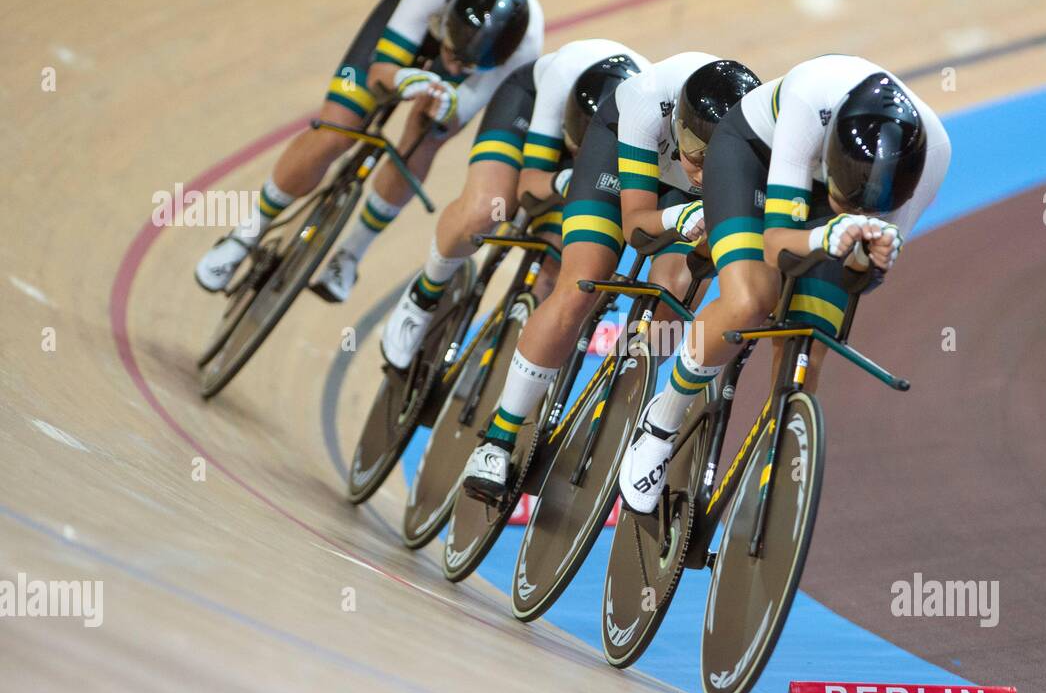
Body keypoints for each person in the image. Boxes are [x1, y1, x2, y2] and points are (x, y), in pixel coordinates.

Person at [618, 55, 951, 513]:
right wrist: (826, 234)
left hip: (827, 190)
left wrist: (867, 260)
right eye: (843, 200)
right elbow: (776, 245)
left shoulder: (932, 160)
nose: (849, 210)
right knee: (751, 300)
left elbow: (861, 278)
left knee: (809, 339)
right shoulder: (808, 96)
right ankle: (660, 422)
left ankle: (773, 470)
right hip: (754, 154)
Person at [460, 54, 762, 502]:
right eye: (695, 153)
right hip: (620, 160)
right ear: (678, 125)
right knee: (583, 282)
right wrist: (680, 214)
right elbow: (636, 227)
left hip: (681, 195)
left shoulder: (757, 138)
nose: (698, 169)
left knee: (676, 291)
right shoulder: (647, 102)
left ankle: (624, 393)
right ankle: (498, 439)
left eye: (712, 163)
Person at [194, 0, 542, 298]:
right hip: (420, 21)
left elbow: (453, 113)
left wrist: (443, 103)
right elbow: (380, 72)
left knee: (426, 135)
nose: (453, 68)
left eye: (464, 65)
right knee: (338, 130)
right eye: (452, 56)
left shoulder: (523, 50)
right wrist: (402, 79)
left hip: (472, 52)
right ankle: (246, 234)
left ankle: (350, 253)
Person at [379, 44, 648, 367]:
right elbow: (529, 188)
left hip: (606, 147)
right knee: (488, 208)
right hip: (528, 106)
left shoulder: (642, 124)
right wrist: (559, 182)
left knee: (564, 272)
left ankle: (507, 357)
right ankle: (423, 295)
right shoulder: (560, 78)